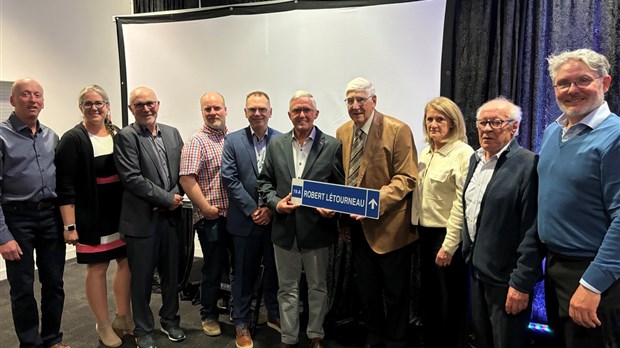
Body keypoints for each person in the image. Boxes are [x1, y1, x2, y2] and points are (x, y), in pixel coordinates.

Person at [538, 48, 620, 348]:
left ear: (605, 83)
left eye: (583, 80)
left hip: (597, 277)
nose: (572, 89)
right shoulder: (551, 132)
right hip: (556, 269)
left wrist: (592, 283)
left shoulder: (616, 137)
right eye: (563, 83)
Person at [336, 77, 418, 348]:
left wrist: (372, 203)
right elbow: (344, 180)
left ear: (374, 100)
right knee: (367, 288)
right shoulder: (342, 133)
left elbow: (406, 178)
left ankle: (396, 338)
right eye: (351, 100)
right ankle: (374, 333)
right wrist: (342, 219)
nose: (356, 105)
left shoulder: (398, 129)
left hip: (390, 227)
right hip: (357, 228)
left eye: (361, 99)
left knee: (395, 291)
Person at [258, 90, 344, 348]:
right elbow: (264, 183)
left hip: (318, 230)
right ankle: (288, 337)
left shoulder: (333, 146)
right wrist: (275, 204)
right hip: (284, 230)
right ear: (289, 115)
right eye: (297, 110)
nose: (302, 114)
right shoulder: (276, 144)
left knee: (317, 287)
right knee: (287, 289)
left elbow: (340, 187)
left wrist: (334, 209)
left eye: (307, 110)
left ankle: (315, 334)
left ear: (316, 114)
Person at [55, 84, 133, 348]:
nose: (94, 108)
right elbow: (64, 186)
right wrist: (70, 226)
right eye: (88, 104)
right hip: (92, 215)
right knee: (97, 268)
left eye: (99, 103)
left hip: (120, 213)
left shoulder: (118, 134)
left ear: (108, 106)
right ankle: (102, 323)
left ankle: (123, 317)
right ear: (81, 108)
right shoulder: (72, 139)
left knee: (126, 264)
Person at [461, 97, 542, 348]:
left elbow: (533, 230)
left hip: (508, 281)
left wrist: (521, 283)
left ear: (514, 127)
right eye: (482, 122)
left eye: (495, 122)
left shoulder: (529, 164)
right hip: (478, 272)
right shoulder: (475, 160)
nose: (486, 129)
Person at [0, 78, 70, 348]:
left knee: (55, 283)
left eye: (37, 95)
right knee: (22, 288)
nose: (32, 100)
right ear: (12, 100)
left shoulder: (52, 136)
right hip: (17, 218)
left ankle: (52, 339)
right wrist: (3, 236)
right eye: (25, 94)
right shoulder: (2, 136)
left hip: (50, 216)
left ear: (43, 101)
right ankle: (30, 344)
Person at [113, 87, 185, 348]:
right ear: (132, 109)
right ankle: (143, 329)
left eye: (150, 103)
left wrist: (174, 196)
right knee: (142, 278)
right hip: (141, 220)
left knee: (171, 274)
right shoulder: (125, 136)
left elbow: (183, 172)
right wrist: (166, 199)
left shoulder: (172, 132)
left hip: (171, 219)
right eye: (139, 104)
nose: (146, 108)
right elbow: (132, 178)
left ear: (158, 104)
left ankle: (170, 320)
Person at [221, 91, 281, 348]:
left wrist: (269, 209)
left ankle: (274, 315)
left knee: (275, 274)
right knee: (243, 276)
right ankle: (242, 323)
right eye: (252, 109)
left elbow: (286, 178)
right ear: (245, 113)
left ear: (270, 111)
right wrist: (253, 210)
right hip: (244, 222)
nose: (257, 113)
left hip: (275, 221)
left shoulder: (282, 140)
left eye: (262, 109)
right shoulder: (233, 140)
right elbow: (229, 179)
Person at [411, 97, 472, 348]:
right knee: (430, 298)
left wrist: (448, 245)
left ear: (453, 122)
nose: (433, 124)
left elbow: (462, 203)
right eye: (429, 119)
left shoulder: (462, 153)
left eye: (440, 119)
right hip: (424, 234)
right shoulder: (426, 152)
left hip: (447, 237)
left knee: (451, 301)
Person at [179, 91, 233, 339]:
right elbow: (187, 179)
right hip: (212, 218)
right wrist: (206, 208)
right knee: (212, 269)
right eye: (207, 109)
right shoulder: (196, 142)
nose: (213, 113)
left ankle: (236, 310)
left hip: (235, 217)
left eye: (217, 108)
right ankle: (209, 315)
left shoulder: (231, 139)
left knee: (237, 268)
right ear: (202, 112)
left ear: (225, 110)